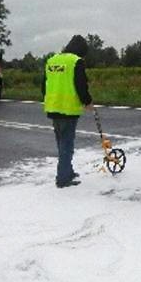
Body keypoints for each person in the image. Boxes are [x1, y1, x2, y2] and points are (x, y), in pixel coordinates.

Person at [42, 35, 93, 188]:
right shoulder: (76, 62)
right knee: (67, 145)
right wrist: (87, 101)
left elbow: (43, 86)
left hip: (53, 108)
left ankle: (68, 171)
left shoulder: (52, 60)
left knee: (61, 143)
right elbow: (81, 85)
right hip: (68, 109)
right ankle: (63, 178)